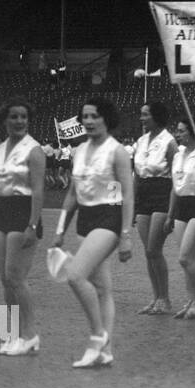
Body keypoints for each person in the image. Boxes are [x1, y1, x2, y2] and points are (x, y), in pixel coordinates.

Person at [52, 98, 135, 368]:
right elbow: (72, 194)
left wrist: (125, 234)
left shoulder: (117, 151)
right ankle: (107, 350)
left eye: (94, 116)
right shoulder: (79, 150)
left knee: (75, 276)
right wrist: (60, 228)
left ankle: (96, 338)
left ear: (106, 119)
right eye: (85, 116)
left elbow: (127, 195)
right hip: (85, 220)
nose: (88, 121)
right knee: (101, 288)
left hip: (108, 217)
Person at [0, 98, 45, 355]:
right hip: (0, 213)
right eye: (14, 117)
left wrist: (32, 224)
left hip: (23, 212)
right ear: (5, 120)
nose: (20, 121)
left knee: (16, 278)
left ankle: (30, 335)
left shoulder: (35, 150)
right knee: (5, 280)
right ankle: (14, 334)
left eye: (24, 117)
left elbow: (39, 190)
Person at [131, 101, 176, 315]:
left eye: (145, 115)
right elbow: (136, 175)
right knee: (148, 254)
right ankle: (155, 297)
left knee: (153, 249)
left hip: (162, 193)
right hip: (143, 195)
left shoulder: (169, 142)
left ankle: (165, 298)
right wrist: (131, 204)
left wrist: (173, 210)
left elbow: (177, 178)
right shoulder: (140, 142)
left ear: (156, 116)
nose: (141, 118)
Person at [169, 116, 195, 319]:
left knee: (185, 257)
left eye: (181, 130)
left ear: (193, 131)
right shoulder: (178, 155)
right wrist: (170, 215)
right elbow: (175, 188)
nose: (178, 134)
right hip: (181, 208)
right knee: (187, 260)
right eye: (177, 131)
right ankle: (191, 300)